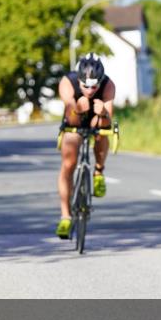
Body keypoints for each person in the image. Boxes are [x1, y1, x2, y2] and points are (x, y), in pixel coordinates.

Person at [55, 53, 116, 239]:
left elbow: (108, 122)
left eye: (94, 86)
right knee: (68, 164)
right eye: (85, 86)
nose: (90, 90)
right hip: (75, 117)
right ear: (79, 80)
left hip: (97, 117)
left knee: (102, 133)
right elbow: (71, 116)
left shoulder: (108, 85)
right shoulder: (68, 82)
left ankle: (98, 171)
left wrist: (103, 112)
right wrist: (77, 109)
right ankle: (65, 216)